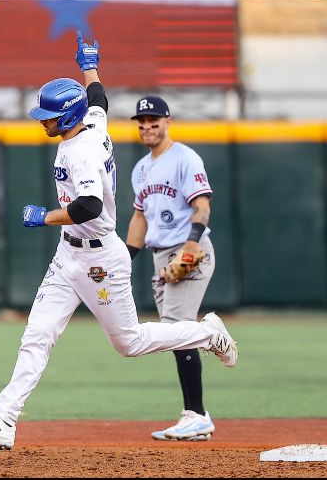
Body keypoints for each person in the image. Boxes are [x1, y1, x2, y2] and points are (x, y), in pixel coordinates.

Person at [0, 32, 238, 452]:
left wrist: (44, 216)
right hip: (68, 254)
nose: (42, 122)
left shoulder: (80, 151)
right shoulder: (91, 121)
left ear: (67, 119)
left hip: (99, 257)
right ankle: (3, 421)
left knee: (129, 343)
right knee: (37, 335)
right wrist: (89, 64)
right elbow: (99, 98)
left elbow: (88, 206)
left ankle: (205, 333)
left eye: (48, 117)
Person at [126, 95, 220, 441]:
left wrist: (193, 243)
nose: (147, 127)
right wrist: (125, 258)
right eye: (142, 122)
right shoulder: (141, 169)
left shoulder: (184, 158)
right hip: (160, 257)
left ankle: (196, 414)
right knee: (176, 334)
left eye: (154, 121)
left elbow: (202, 205)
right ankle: (196, 416)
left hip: (188, 251)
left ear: (168, 122)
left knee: (178, 330)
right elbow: (139, 217)